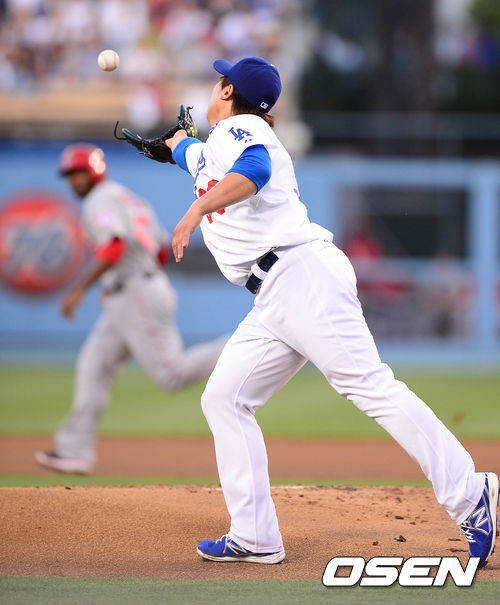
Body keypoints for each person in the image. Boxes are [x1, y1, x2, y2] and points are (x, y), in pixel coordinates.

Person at [165, 57, 498, 568]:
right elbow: (198, 158)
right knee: (225, 398)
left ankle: (470, 493)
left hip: (300, 278)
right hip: (277, 293)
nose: (213, 86)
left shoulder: (240, 130)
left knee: (370, 386)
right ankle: (255, 535)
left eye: (219, 80)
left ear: (229, 91)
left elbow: (253, 171)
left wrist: (195, 210)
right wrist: (174, 147)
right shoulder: (220, 144)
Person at [35, 143, 227, 474]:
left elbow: (115, 245)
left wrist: (81, 288)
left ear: (93, 172)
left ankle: (238, 345)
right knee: (94, 365)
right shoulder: (125, 196)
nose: (72, 181)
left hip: (136, 292)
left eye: (78, 173)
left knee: (172, 374)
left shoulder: (99, 200)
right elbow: (160, 249)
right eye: (69, 175)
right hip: (131, 293)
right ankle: (74, 450)